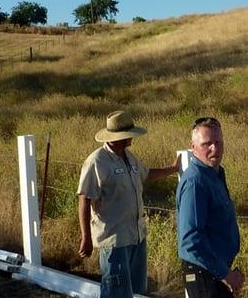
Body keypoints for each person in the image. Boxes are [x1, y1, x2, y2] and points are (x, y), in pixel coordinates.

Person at [77, 110, 180, 298]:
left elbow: (147, 174)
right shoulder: (96, 162)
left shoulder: (129, 157)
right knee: (115, 291)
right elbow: (84, 198)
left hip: (136, 237)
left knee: (136, 290)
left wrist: (173, 169)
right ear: (119, 138)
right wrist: (87, 237)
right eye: (129, 135)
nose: (132, 139)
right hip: (113, 240)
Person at [176, 117, 245, 297]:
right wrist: (225, 274)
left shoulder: (215, 174)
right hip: (205, 275)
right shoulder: (195, 182)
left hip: (216, 271)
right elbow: (191, 240)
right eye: (207, 144)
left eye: (218, 142)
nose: (214, 148)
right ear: (193, 147)